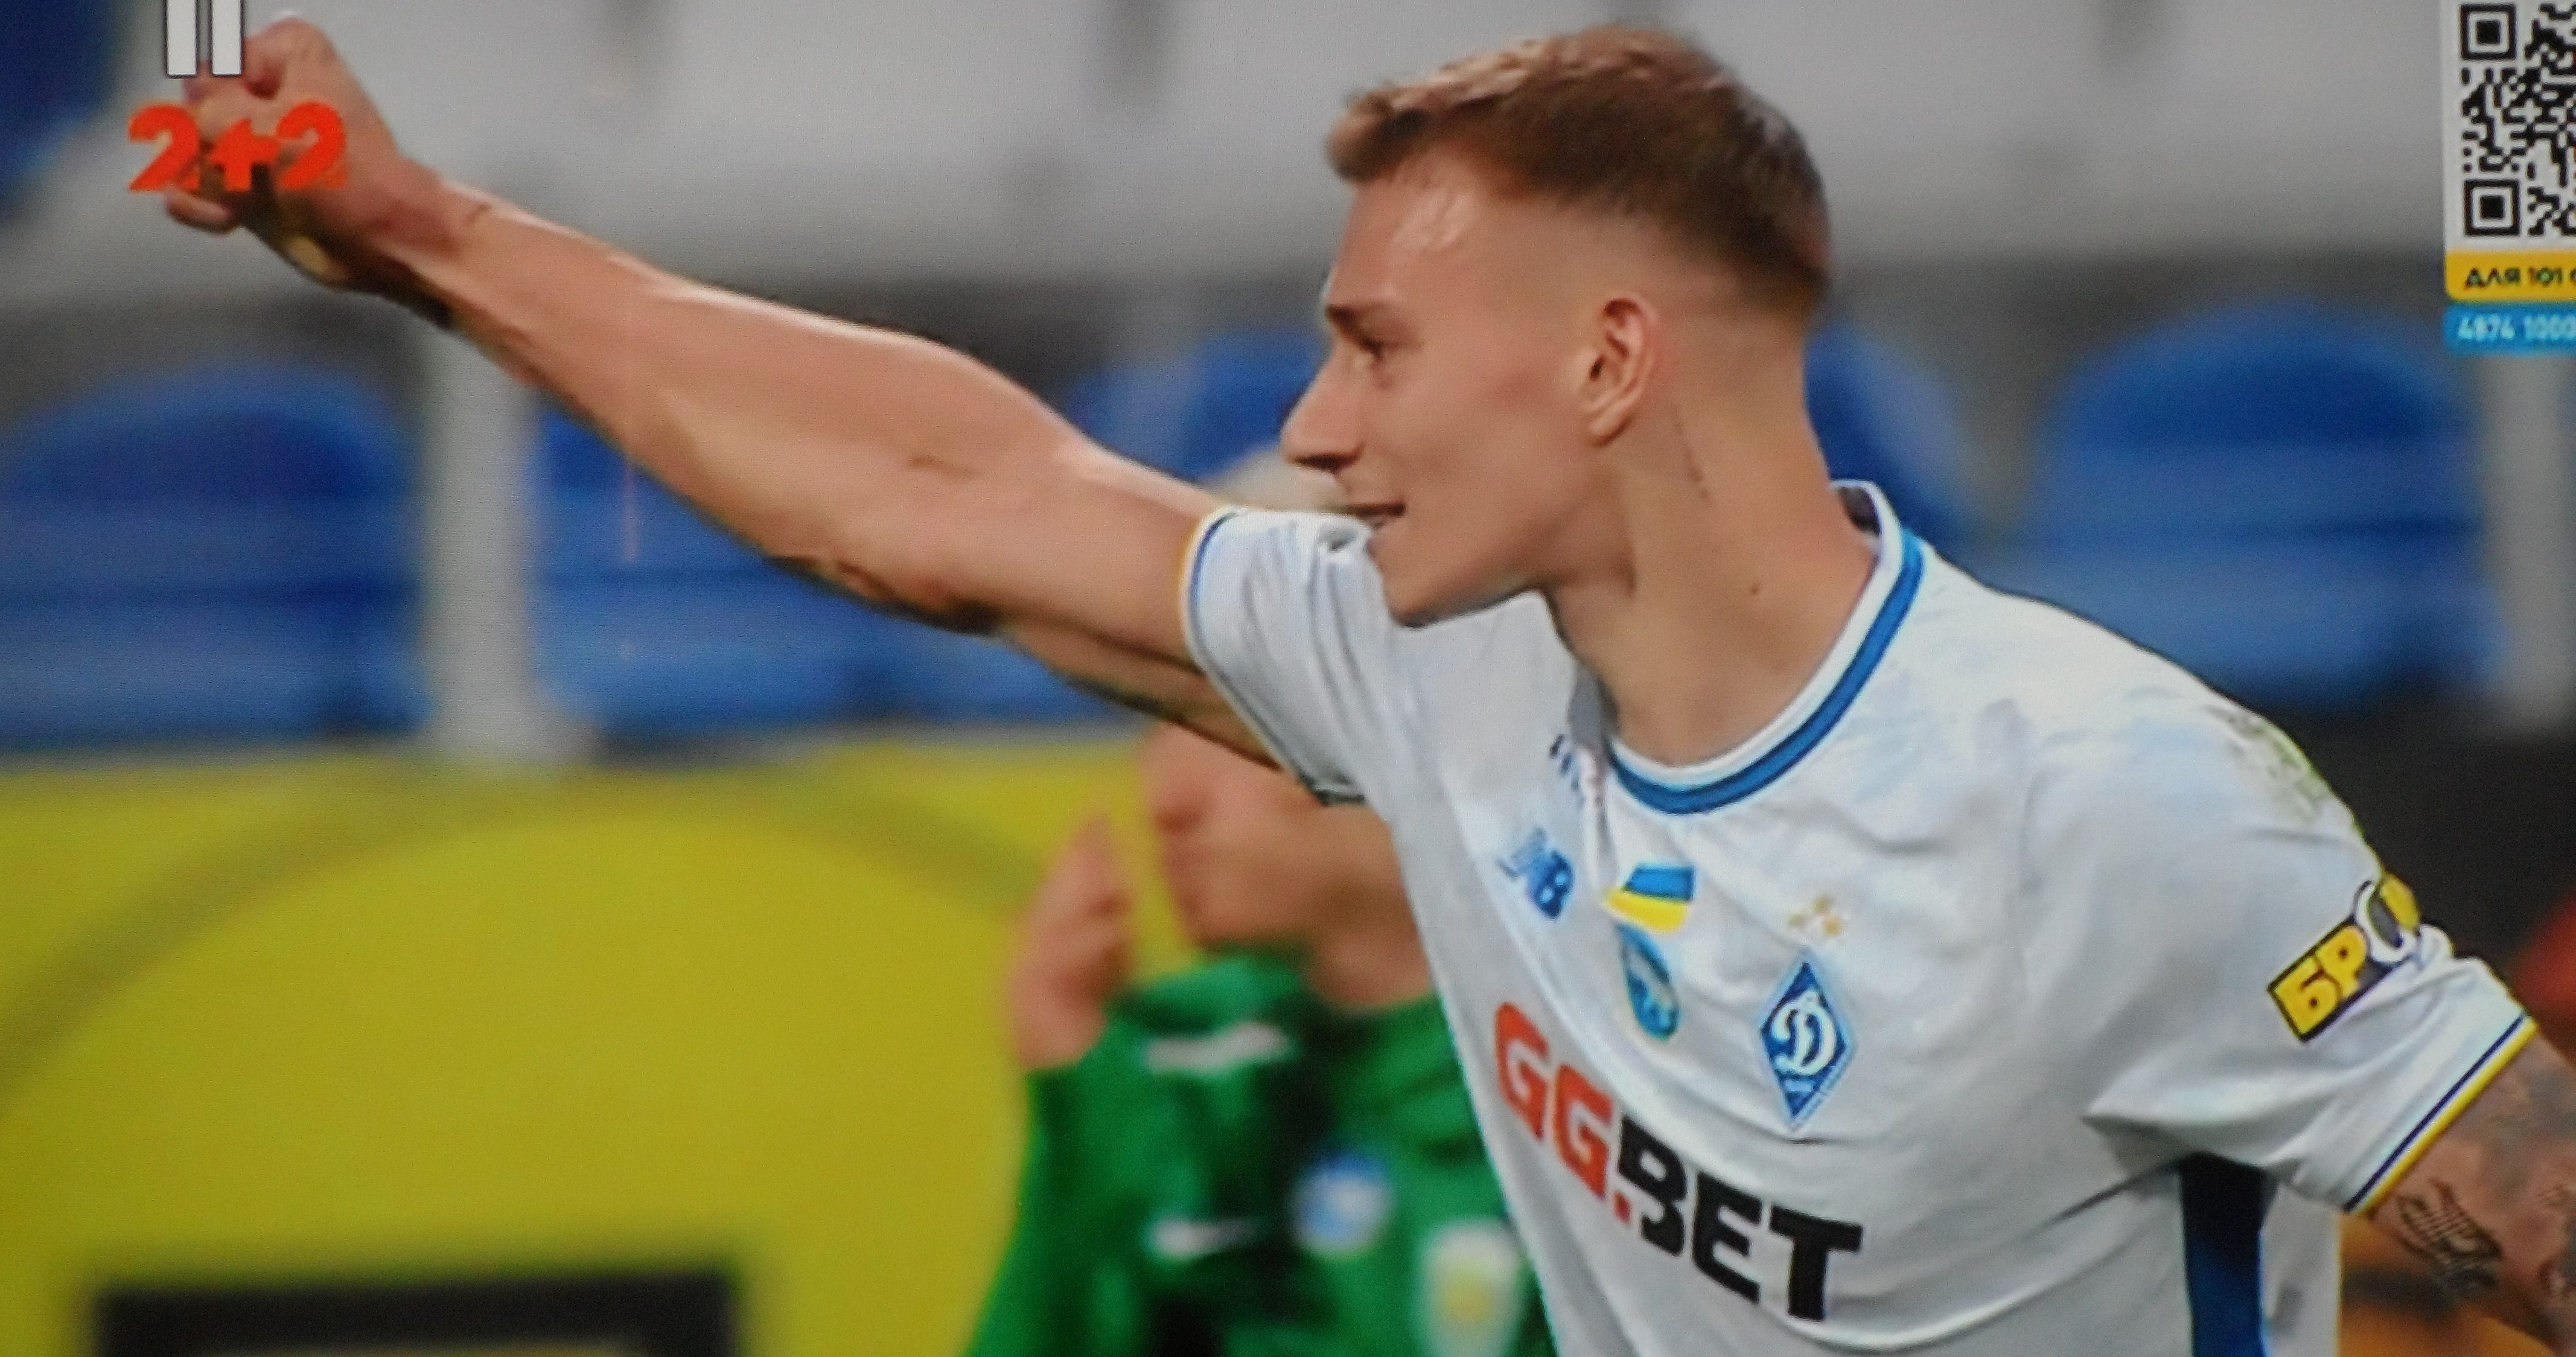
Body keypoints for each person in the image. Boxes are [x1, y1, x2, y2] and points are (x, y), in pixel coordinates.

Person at [159, 20, 2576, 1355]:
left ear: (1606, 361)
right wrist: (422, 232)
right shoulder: (1433, 671)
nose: (1316, 431)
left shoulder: (2115, 803)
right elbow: (940, 494)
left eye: (1374, 347)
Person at [971, 720, 1549, 1357]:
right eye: (1157, 723)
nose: (1168, 804)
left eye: (1232, 715)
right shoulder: (1179, 1060)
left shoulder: (1582, 1056)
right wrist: (1075, 1080)